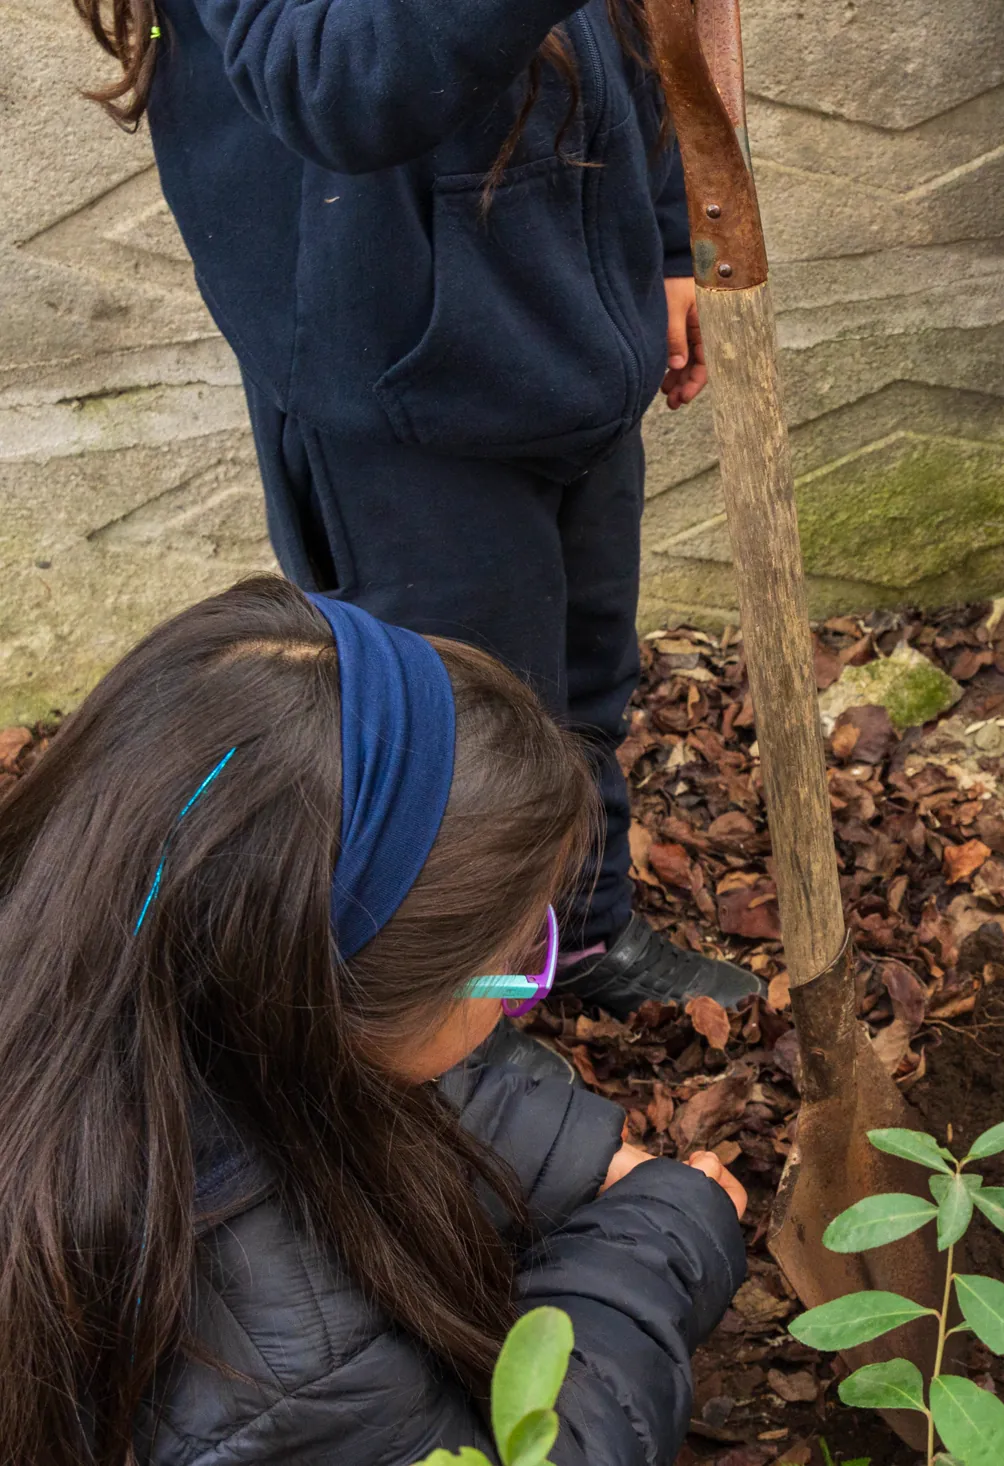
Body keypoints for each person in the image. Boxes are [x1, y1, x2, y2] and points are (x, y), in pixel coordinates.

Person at [68, 0, 757, 1077]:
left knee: (582, 681)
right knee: (457, 750)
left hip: (570, 334)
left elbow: (633, 24)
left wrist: (666, 237)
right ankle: (461, 1058)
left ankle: (575, 925)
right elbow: (337, 76)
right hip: (398, 395)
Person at [0, 578, 749, 1465]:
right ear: (336, 1004)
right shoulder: (287, 1378)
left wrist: (567, 1153)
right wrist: (660, 1248)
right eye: (520, 960)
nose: (530, 977)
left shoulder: (98, 954)